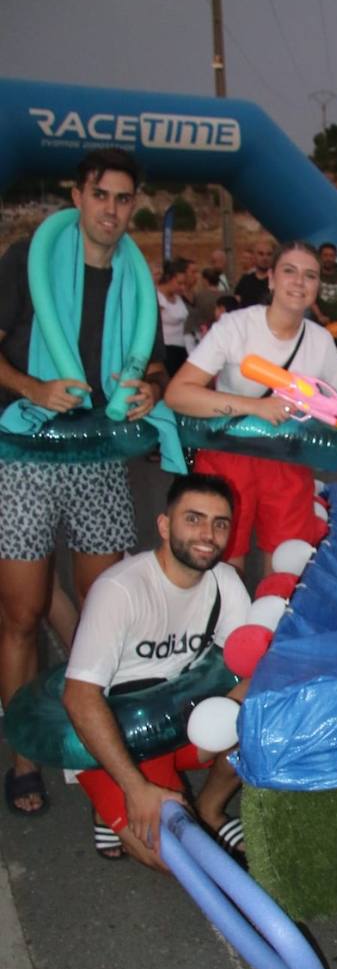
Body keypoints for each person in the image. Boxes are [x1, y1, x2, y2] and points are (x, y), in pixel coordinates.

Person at [0, 147, 171, 816]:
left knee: (103, 610)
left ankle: (98, 741)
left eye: (124, 199)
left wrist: (148, 391)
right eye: (101, 195)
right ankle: (22, 756)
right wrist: (34, 387)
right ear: (78, 196)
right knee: (21, 614)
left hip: (99, 453)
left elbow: (154, 365)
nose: (112, 209)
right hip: (23, 449)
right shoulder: (26, 259)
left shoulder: (136, 281)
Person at [62, 474, 251, 868]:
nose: (208, 534)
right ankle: (109, 795)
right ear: (165, 526)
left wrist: (231, 724)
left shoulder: (225, 582)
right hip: (122, 730)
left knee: (257, 717)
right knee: (172, 861)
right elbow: (79, 698)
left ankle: (211, 809)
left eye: (220, 523)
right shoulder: (120, 589)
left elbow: (249, 670)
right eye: (194, 519)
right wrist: (137, 788)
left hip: (179, 719)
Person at [165, 241, 337, 573]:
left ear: (318, 286)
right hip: (229, 454)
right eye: (289, 271)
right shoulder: (236, 327)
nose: (299, 282)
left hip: (288, 462)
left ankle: (270, 628)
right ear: (271, 279)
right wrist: (255, 407)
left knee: (285, 572)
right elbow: (178, 394)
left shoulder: (321, 341)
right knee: (224, 570)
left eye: (310, 275)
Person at [157, 258, 190, 376]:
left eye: (184, 284)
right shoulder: (158, 297)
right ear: (168, 279)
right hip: (166, 350)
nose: (182, 287)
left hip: (181, 348)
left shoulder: (178, 297)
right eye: (179, 283)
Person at [234, 236, 274, 308]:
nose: (265, 258)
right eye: (261, 254)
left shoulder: (278, 281)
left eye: (269, 254)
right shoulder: (245, 280)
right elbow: (236, 302)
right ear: (254, 256)